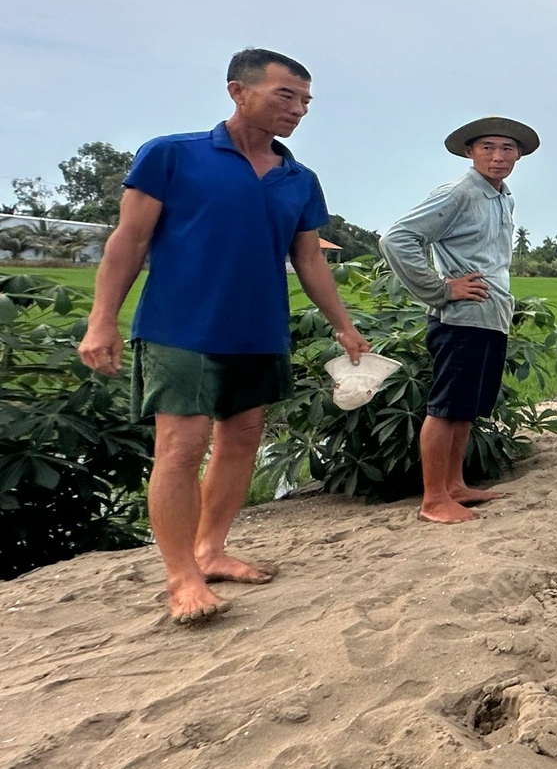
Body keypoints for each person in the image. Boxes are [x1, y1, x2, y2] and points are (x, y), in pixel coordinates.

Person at [79, 49, 367, 624]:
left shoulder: (299, 179)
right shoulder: (172, 155)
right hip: (179, 327)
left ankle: (211, 550)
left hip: (259, 329)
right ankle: (181, 575)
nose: (299, 109)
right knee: (181, 449)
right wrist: (102, 319)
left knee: (242, 437)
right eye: (286, 95)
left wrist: (343, 324)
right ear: (238, 92)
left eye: (306, 100)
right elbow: (129, 241)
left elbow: (309, 260)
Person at [381, 117, 539, 524]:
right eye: (487, 147)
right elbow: (397, 238)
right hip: (460, 318)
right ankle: (433, 499)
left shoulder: (502, 198)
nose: (498, 156)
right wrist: (440, 290)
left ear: (519, 154)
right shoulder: (458, 193)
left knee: (465, 407)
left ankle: (454, 485)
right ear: (470, 152)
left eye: (507, 148)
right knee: (446, 407)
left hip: (491, 314)